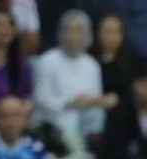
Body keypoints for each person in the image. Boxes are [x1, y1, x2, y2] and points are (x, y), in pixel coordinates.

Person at [34, 11, 107, 141]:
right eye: (67, 30)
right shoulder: (47, 60)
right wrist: (69, 103)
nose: (71, 35)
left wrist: (89, 100)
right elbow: (41, 98)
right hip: (52, 122)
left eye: (77, 30)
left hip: (84, 122)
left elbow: (96, 97)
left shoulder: (92, 65)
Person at [0, 8, 35, 105]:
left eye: (9, 26)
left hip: (14, 112)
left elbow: (28, 99)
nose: (4, 30)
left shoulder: (22, 64)